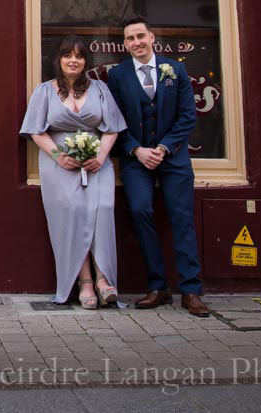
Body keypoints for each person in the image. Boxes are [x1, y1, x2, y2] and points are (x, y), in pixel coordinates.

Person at [105, 16, 209, 317]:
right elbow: (115, 119)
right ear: (124, 45)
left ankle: (191, 290)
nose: (136, 42)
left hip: (173, 158)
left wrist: (163, 148)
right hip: (136, 159)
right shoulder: (119, 75)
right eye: (129, 39)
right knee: (140, 210)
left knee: (182, 218)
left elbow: (187, 115)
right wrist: (136, 150)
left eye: (140, 36)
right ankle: (158, 287)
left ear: (152, 38)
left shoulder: (174, 69)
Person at [20, 37, 125, 308]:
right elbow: (35, 130)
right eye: (68, 55)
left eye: (79, 56)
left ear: (86, 62)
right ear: (59, 60)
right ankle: (85, 282)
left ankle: (104, 279)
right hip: (60, 166)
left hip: (96, 164)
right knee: (72, 214)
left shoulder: (100, 89)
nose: (73, 60)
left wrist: (101, 157)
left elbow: (112, 127)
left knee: (102, 211)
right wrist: (59, 156)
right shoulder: (45, 91)